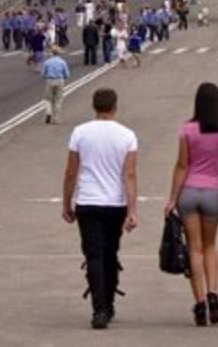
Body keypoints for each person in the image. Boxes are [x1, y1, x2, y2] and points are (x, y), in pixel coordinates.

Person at [61, 88, 139, 330]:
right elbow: (129, 174)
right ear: (115, 107)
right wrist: (132, 210)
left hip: (88, 201)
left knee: (93, 255)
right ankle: (110, 301)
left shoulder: (80, 133)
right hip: (115, 203)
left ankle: (99, 309)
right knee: (110, 253)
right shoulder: (127, 136)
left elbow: (71, 171)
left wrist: (66, 202)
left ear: (94, 107)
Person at [163, 83, 218, 326]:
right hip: (213, 193)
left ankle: (199, 304)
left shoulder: (187, 130)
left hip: (188, 193)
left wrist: (172, 198)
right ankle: (213, 294)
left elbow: (182, 165)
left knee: (193, 248)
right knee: (210, 246)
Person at [41, 45, 70, 125]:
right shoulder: (62, 62)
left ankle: (48, 112)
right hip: (60, 80)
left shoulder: (47, 62)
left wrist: (46, 77)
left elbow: (43, 74)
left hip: (50, 80)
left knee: (48, 99)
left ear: (52, 53)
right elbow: (67, 74)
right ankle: (56, 119)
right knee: (58, 100)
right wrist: (63, 77)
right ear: (59, 53)